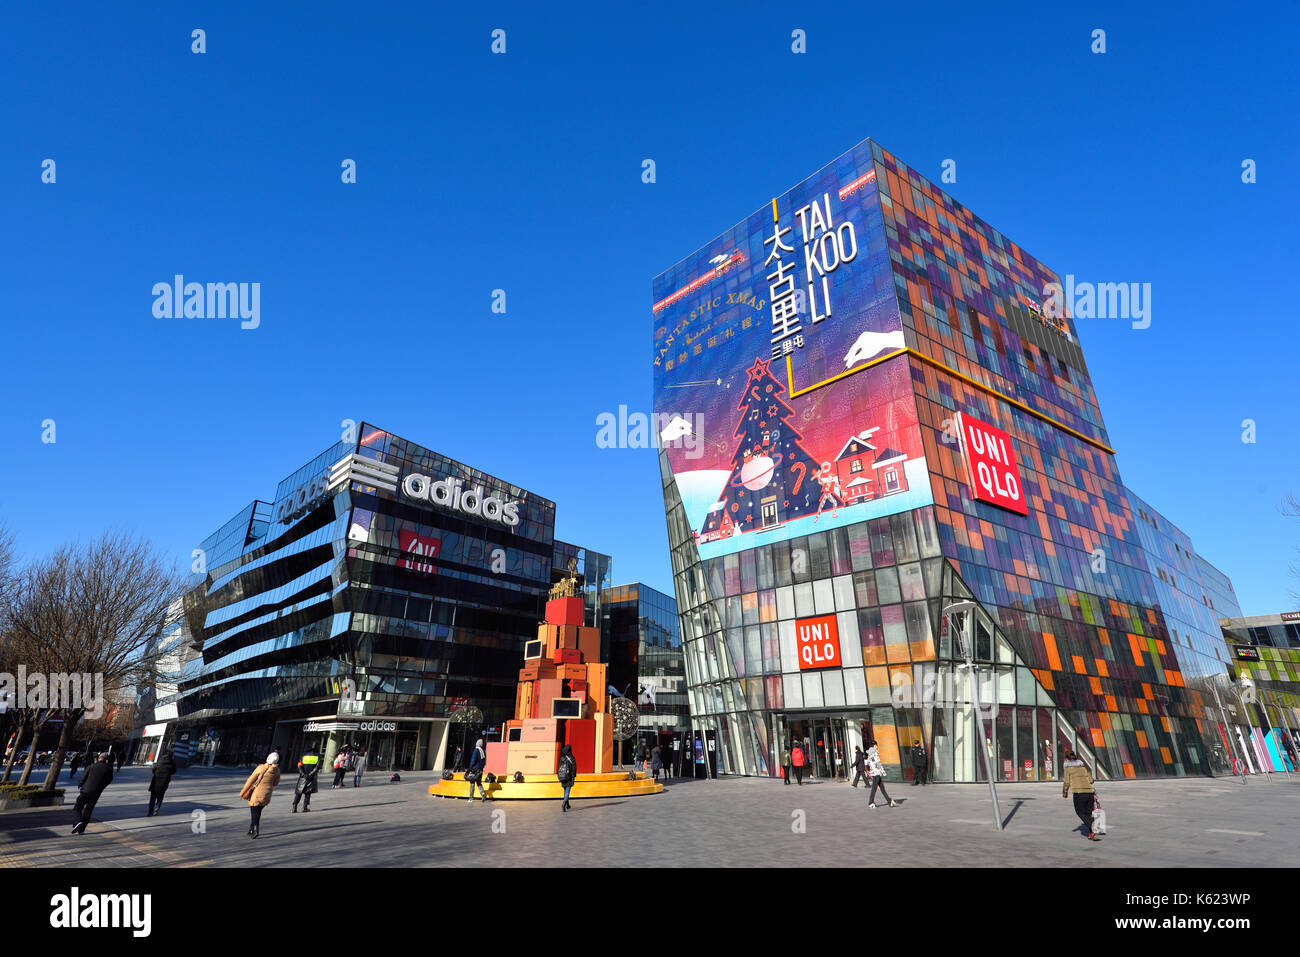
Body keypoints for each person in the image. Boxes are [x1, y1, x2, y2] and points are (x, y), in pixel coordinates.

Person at [71, 752, 114, 835]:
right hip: (96, 793)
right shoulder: (108, 769)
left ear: (99, 758)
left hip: (85, 791)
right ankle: (81, 829)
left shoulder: (92, 766)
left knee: (77, 807)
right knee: (88, 810)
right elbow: (109, 780)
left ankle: (78, 821)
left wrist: (80, 785)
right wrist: (101, 787)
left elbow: (83, 777)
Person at [240, 752, 281, 839]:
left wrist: (243, 792)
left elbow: (250, 781)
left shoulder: (260, 768)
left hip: (257, 793)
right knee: (258, 811)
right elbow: (276, 783)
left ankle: (255, 830)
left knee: (254, 812)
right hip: (267, 794)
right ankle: (251, 829)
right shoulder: (277, 770)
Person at [1061, 750, 1099, 841]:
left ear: (1066, 759)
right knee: (1089, 813)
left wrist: (1065, 793)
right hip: (1090, 793)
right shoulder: (1083, 767)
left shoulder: (1067, 768)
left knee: (1080, 812)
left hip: (1079, 793)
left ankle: (1094, 828)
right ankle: (1092, 833)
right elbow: (1091, 781)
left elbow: (1066, 782)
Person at [865, 740, 898, 808]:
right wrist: (882, 771)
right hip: (876, 773)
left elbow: (869, 762)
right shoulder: (874, 752)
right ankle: (871, 802)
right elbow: (878, 763)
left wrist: (871, 770)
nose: (877, 746)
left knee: (882, 788)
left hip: (874, 772)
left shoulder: (870, 753)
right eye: (877, 745)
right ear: (875, 745)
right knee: (874, 788)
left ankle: (889, 801)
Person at [147, 748, 178, 816]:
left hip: (156, 781)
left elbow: (154, 769)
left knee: (153, 797)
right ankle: (157, 808)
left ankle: (150, 811)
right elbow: (174, 771)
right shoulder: (172, 762)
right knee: (160, 797)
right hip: (164, 781)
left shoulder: (160, 760)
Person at [292, 744, 321, 812]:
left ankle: (294, 807)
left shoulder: (304, 755)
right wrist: (310, 775)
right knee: (308, 793)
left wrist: (303, 774)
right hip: (311, 777)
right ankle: (304, 807)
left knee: (299, 792)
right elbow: (317, 767)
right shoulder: (318, 756)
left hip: (302, 777)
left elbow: (299, 765)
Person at [466, 738, 488, 803]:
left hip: (474, 770)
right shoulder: (483, 751)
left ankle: (471, 798)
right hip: (480, 770)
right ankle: (483, 793)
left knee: (472, 783)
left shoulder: (476, 750)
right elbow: (484, 762)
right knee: (479, 783)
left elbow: (473, 760)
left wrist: (470, 768)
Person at [557, 744, 577, 812]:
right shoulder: (572, 758)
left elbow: (559, 767)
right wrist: (574, 775)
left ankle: (568, 805)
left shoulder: (562, 758)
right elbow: (574, 768)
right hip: (569, 776)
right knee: (567, 790)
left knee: (565, 790)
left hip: (563, 776)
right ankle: (564, 803)